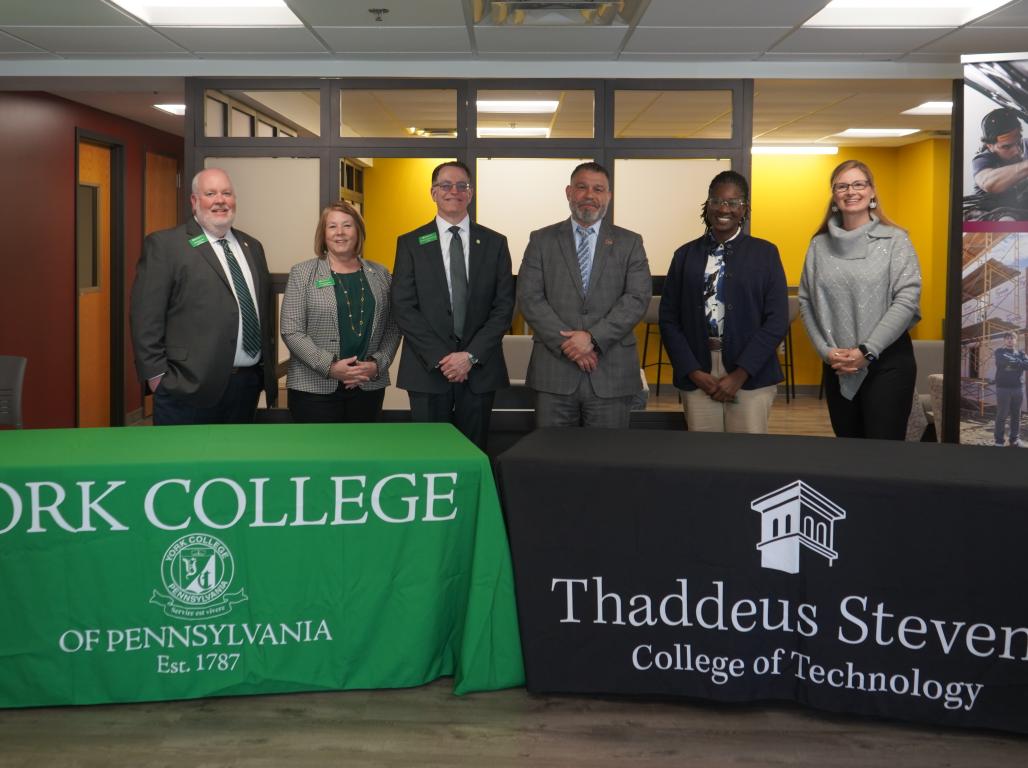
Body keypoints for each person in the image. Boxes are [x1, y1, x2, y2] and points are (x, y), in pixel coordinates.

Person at [131, 168, 276, 425]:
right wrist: (156, 376)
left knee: (234, 463)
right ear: (194, 201)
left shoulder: (252, 246)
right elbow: (146, 317)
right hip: (186, 386)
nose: (220, 200)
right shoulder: (166, 245)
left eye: (226, 193)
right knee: (185, 464)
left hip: (245, 385)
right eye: (210, 193)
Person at [391, 160, 514, 450]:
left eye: (462, 186)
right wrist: (443, 358)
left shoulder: (495, 243)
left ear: (470, 194)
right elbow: (403, 307)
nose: (454, 191)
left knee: (475, 452)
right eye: (445, 185)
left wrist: (469, 356)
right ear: (433, 192)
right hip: (428, 370)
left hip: (480, 370)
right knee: (430, 455)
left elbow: (504, 306)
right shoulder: (410, 243)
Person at [517, 161, 651, 428]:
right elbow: (529, 297)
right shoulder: (541, 240)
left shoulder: (630, 242)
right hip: (554, 373)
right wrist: (571, 346)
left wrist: (593, 338)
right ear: (569, 192)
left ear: (608, 196)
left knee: (609, 462)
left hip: (611, 371)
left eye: (598, 189)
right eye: (582, 187)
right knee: (552, 459)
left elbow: (637, 298)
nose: (590, 195)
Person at [799, 159, 922, 440]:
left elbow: (906, 300)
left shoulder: (895, 241)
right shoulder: (818, 245)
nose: (850, 191)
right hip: (838, 363)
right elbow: (806, 301)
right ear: (833, 195)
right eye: (841, 186)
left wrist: (867, 351)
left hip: (887, 363)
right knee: (849, 452)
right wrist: (825, 352)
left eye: (858, 184)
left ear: (872, 192)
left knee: (882, 456)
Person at [659, 170, 788, 433]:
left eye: (733, 202)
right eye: (716, 201)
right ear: (707, 206)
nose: (723, 209)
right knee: (704, 461)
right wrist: (693, 371)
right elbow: (669, 318)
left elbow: (776, 320)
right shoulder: (684, 255)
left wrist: (740, 374)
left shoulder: (765, 254)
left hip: (751, 373)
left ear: (745, 208)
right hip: (699, 371)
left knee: (746, 461)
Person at [280, 202, 400, 423]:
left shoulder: (381, 274)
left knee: (361, 454)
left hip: (367, 386)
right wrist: (331, 367)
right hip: (313, 390)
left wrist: (376, 365)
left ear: (358, 232)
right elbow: (291, 331)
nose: (340, 233)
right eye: (332, 226)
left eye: (347, 225)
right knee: (318, 456)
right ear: (323, 234)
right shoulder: (302, 273)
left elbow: (393, 327)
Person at [966, 107, 1028, 221]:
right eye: (1006, 147)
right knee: (1007, 220)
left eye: (1018, 142)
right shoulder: (983, 159)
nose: (1017, 150)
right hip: (996, 217)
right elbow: (988, 182)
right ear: (990, 146)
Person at [993, 331, 1028, 447]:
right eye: (1007, 338)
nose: (1009, 340)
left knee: (1016, 415)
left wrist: (1012, 362)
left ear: (1015, 340)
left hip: (1018, 388)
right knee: (1002, 415)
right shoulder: (999, 352)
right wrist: (1019, 364)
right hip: (1003, 388)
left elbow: (1026, 365)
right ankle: (999, 441)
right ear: (1004, 340)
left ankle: (1014, 439)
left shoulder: (1022, 353)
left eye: (1012, 338)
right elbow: (1001, 363)